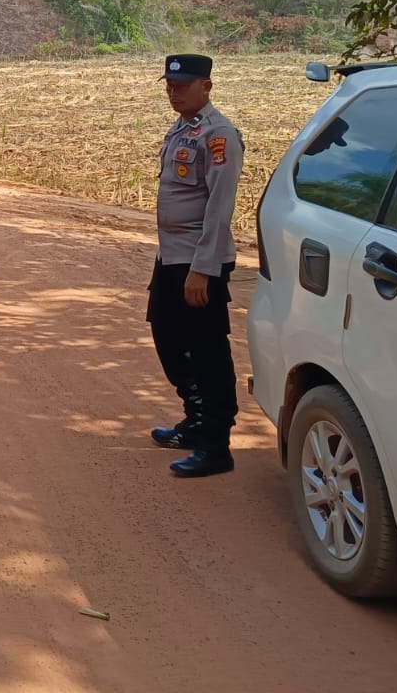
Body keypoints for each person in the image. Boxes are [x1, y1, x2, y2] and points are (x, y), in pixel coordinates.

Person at [147, 53, 245, 478]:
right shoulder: (182, 128)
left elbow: (220, 208)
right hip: (171, 255)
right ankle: (195, 418)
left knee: (206, 350)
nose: (174, 92)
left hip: (198, 260)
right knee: (166, 334)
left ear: (206, 86)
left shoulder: (219, 134)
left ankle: (215, 444)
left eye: (183, 86)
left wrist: (203, 269)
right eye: (170, 86)